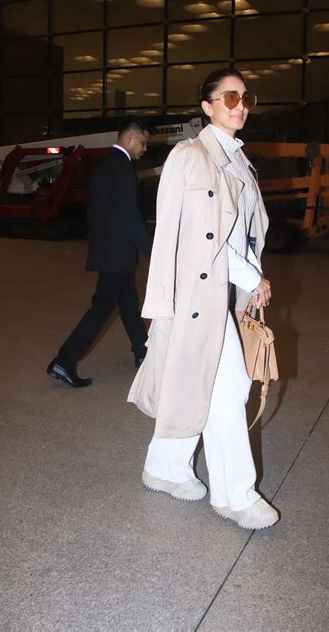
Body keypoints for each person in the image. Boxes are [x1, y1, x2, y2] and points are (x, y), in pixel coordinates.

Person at [128, 69, 279, 530]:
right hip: (199, 295)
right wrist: (253, 278)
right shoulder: (193, 156)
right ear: (207, 106)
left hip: (221, 296)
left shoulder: (235, 159)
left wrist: (245, 283)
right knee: (228, 389)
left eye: (245, 96)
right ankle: (237, 496)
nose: (240, 104)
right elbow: (206, 238)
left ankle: (165, 467)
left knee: (203, 384)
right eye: (229, 96)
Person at [47, 116, 152, 387]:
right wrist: (153, 250)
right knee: (101, 308)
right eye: (142, 142)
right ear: (129, 138)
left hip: (110, 251)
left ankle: (143, 353)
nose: (144, 149)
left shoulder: (104, 165)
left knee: (128, 304)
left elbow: (98, 211)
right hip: (117, 254)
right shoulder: (124, 168)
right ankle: (64, 360)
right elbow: (130, 217)